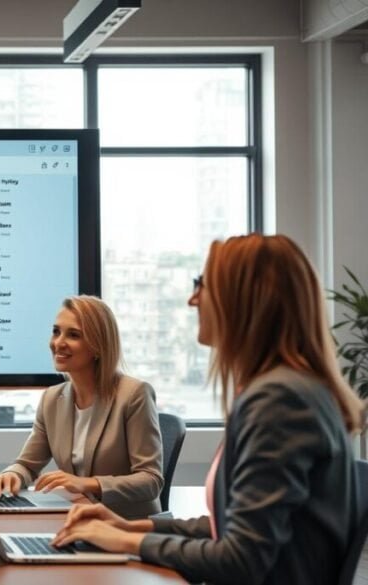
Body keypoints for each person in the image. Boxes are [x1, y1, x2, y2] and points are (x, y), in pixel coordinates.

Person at [51, 234, 364, 585]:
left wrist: (126, 541)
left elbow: (242, 558)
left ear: (245, 299)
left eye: (203, 284)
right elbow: (230, 525)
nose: (192, 299)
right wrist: (133, 525)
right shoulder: (282, 390)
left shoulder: (280, 400)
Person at [0, 295, 163, 519]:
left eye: (73, 335)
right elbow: (28, 465)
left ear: (98, 346)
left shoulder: (134, 395)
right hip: (78, 521)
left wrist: (88, 484)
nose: (58, 343)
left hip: (127, 527)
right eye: (56, 331)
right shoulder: (52, 398)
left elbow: (151, 480)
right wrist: (12, 475)